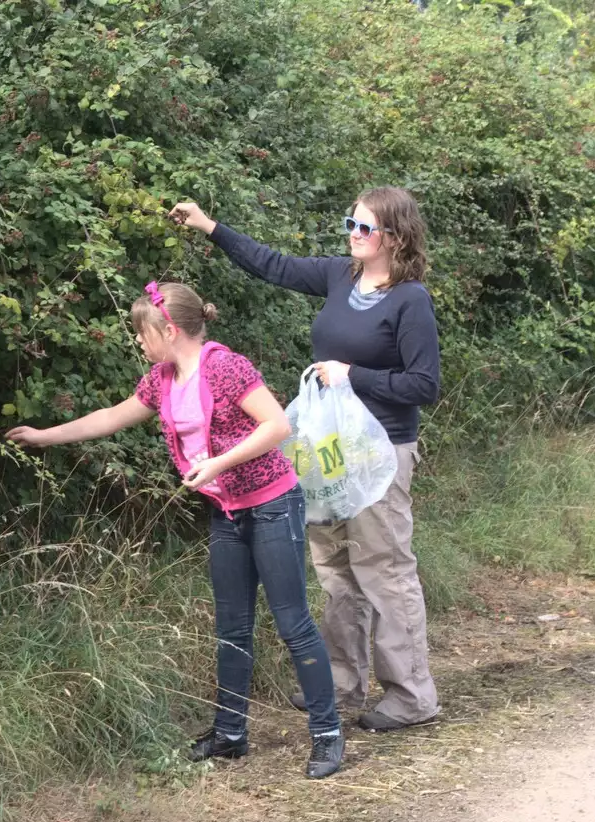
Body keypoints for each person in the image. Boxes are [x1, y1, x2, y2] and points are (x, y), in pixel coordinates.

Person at [6, 282, 345, 779]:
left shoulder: (225, 366)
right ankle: (230, 734)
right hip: (226, 511)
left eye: (143, 332)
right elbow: (111, 417)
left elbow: (276, 426)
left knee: (292, 622)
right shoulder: (161, 379)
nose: (139, 342)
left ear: (170, 329)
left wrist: (218, 465)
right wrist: (43, 436)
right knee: (231, 628)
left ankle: (328, 734)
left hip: (272, 504)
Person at [170, 188, 441, 732]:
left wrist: (353, 375)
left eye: (365, 228)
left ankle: (411, 695)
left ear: (395, 236)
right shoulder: (340, 276)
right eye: (351, 224)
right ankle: (342, 681)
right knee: (336, 568)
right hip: (331, 449)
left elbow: (424, 384)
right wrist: (209, 226)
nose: (353, 234)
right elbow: (274, 265)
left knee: (383, 567)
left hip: (380, 450)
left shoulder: (411, 300)